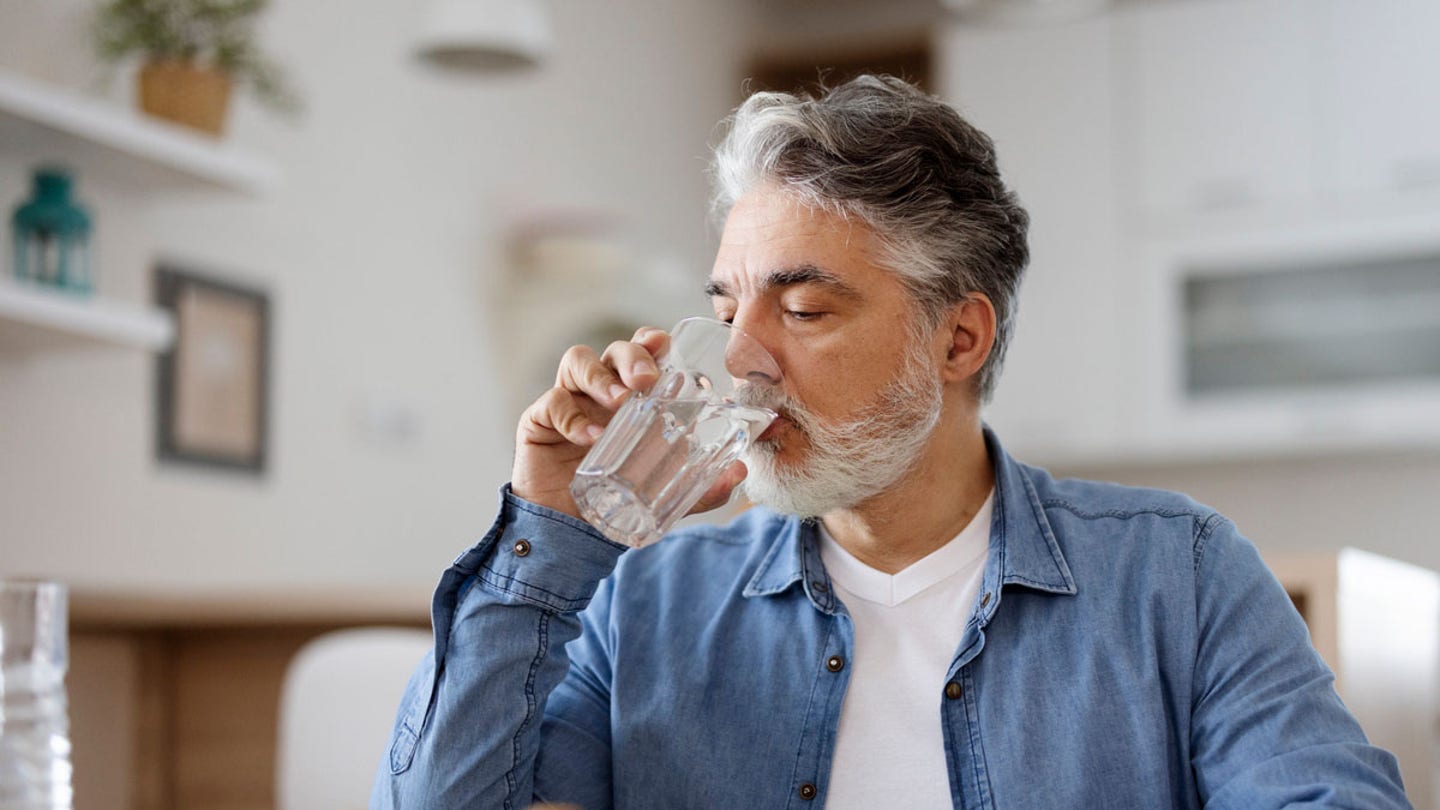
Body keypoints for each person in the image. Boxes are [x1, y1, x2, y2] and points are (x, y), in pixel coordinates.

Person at [371, 75, 1409, 809]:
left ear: (958, 336)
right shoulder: (643, 603)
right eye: (727, 308)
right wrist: (552, 530)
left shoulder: (1176, 574)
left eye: (806, 311)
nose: (740, 360)